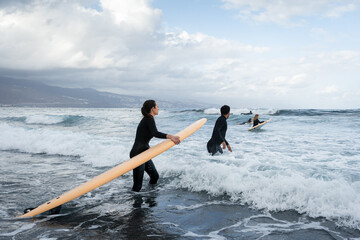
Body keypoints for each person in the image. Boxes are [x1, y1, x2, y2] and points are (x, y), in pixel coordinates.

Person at [130, 100, 180, 192]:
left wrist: (146, 146)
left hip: (144, 152)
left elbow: (143, 136)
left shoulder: (148, 119)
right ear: (152, 108)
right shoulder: (148, 119)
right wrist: (170, 136)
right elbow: (155, 133)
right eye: (157, 106)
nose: (158, 108)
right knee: (137, 186)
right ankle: (135, 204)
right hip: (137, 154)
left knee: (155, 176)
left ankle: (150, 195)